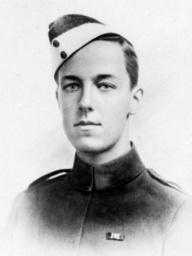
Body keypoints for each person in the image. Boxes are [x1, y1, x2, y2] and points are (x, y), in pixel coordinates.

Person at [3, 14, 192, 256]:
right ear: (58, 99)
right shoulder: (29, 207)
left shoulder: (175, 214)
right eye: (72, 86)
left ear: (134, 100)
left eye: (105, 85)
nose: (85, 103)